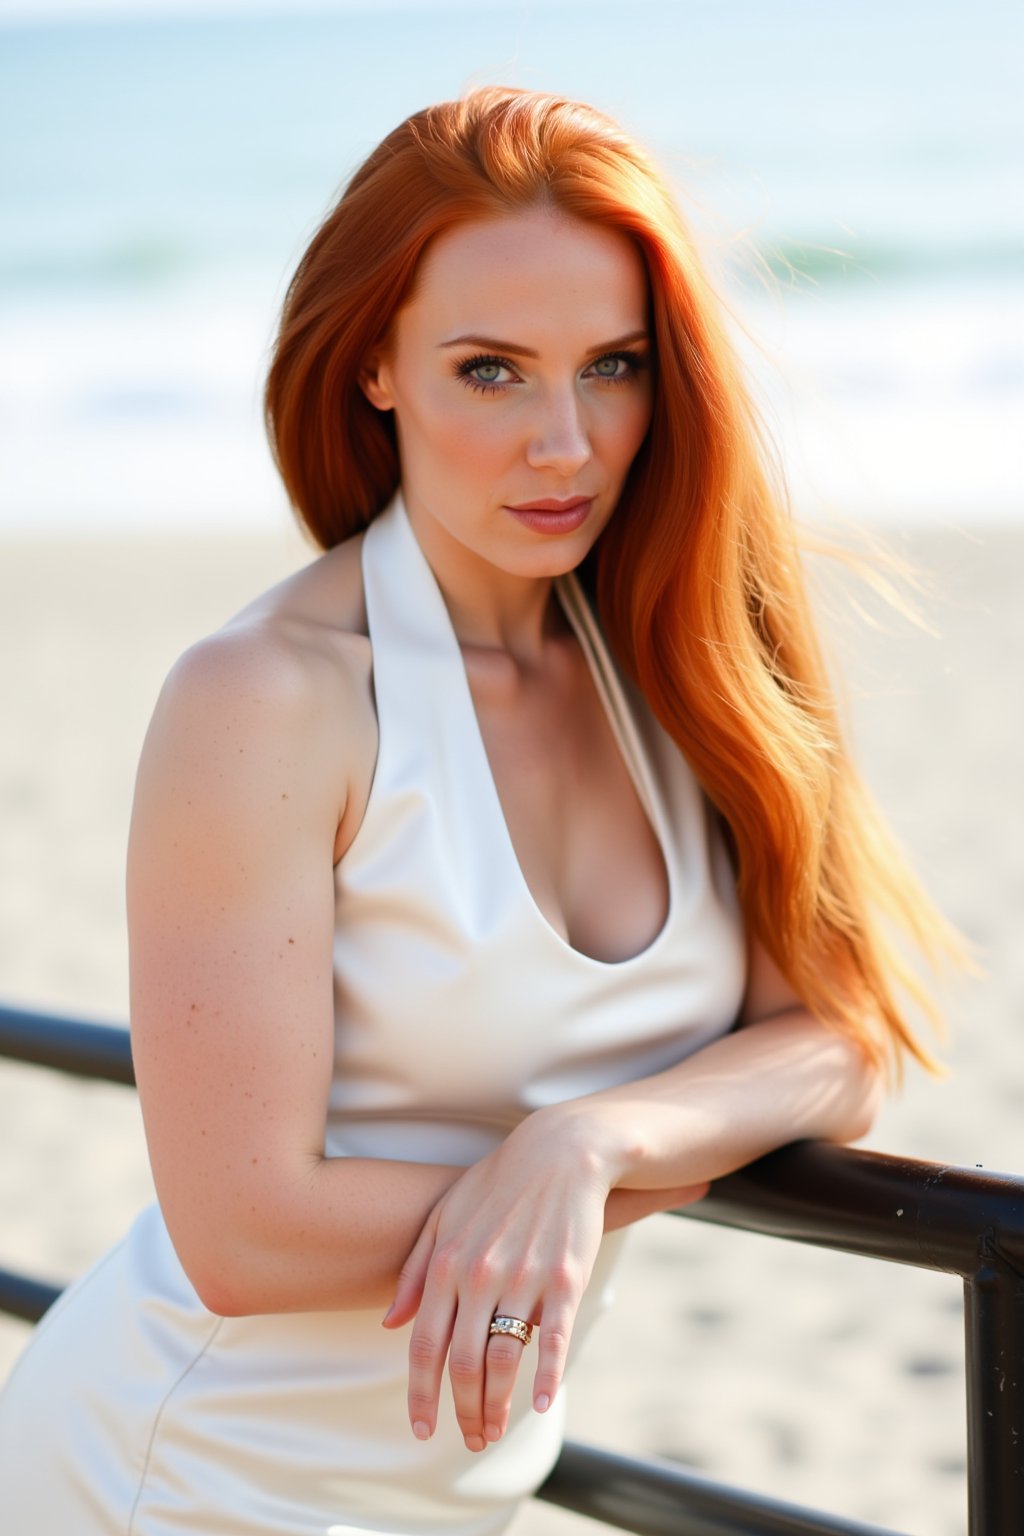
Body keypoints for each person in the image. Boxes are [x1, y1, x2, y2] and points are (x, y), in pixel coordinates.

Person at [0, 86, 955, 1535]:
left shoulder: (681, 663)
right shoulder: (268, 696)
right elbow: (242, 1232)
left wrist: (590, 1147)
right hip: (173, 1475)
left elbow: (842, 1035)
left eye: (614, 366)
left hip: (445, 1500)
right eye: (492, 371)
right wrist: (566, 1196)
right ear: (375, 365)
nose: (566, 444)